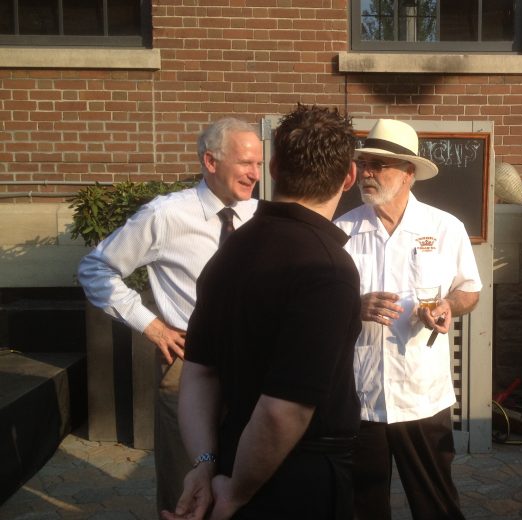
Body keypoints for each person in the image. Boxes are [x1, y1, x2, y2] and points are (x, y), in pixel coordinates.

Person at [162, 104, 361, 520]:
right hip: (295, 479)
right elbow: (282, 410)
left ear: (272, 166)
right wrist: (234, 493)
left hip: (234, 460)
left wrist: (203, 465)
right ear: (349, 177)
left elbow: (199, 370)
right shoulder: (329, 268)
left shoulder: (232, 247)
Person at [77, 117, 262, 514]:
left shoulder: (260, 216)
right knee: (187, 489)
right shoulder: (165, 215)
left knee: (241, 484)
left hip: (251, 365)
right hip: (187, 364)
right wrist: (152, 325)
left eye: (260, 165)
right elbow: (96, 268)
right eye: (246, 163)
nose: (255, 174)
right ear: (210, 162)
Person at [334, 118, 482, 519]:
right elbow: (321, 307)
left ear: (408, 173)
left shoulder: (444, 227)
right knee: (362, 508)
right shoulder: (341, 231)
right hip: (363, 396)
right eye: (364, 163)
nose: (367, 173)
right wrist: (354, 306)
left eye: (379, 165)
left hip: (422, 394)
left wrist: (449, 305)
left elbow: (470, 291)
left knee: (436, 504)